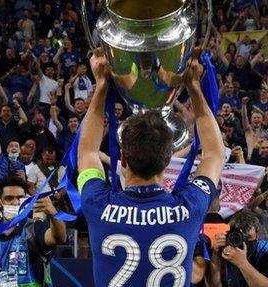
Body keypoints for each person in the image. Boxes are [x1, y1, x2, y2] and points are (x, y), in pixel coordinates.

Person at [78, 51, 225, 286]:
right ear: (168, 159)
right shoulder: (189, 207)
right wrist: (195, 88)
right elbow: (215, 154)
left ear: (123, 158)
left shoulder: (98, 204)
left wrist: (102, 85)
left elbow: (86, 152)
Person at [0, 176, 66, 287]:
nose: (15, 203)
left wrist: (53, 213)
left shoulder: (34, 228)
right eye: (9, 198)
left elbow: (60, 238)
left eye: (20, 198)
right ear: (0, 203)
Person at [208, 210, 268, 287]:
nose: (244, 242)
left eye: (248, 237)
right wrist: (215, 255)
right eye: (238, 237)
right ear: (229, 233)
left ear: (257, 234)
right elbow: (214, 285)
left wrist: (242, 263)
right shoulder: (224, 248)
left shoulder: (267, 252)